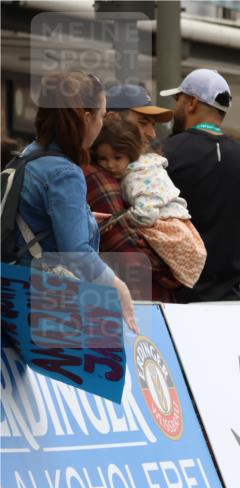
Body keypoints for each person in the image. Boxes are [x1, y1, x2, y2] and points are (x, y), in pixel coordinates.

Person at [12, 71, 137, 332]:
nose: (102, 124)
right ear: (86, 118)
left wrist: (84, 219)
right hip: (47, 308)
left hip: (15, 291)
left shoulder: (27, 156)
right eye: (101, 116)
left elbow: (32, 218)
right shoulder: (65, 173)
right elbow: (76, 253)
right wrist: (118, 286)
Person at [161, 69, 240, 302]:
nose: (175, 108)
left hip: (173, 298)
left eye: (178, 100)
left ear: (192, 103)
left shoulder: (164, 155)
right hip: (227, 301)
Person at [87, 82, 178, 302]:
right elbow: (128, 253)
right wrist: (175, 268)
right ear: (111, 120)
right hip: (124, 302)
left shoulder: (138, 171)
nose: (152, 133)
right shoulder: (100, 176)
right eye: (143, 123)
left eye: (153, 125)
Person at [91, 116, 206, 289]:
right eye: (103, 159)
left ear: (131, 155)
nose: (110, 165)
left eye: (117, 157)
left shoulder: (136, 178)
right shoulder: (144, 166)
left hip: (168, 226)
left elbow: (146, 214)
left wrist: (121, 220)